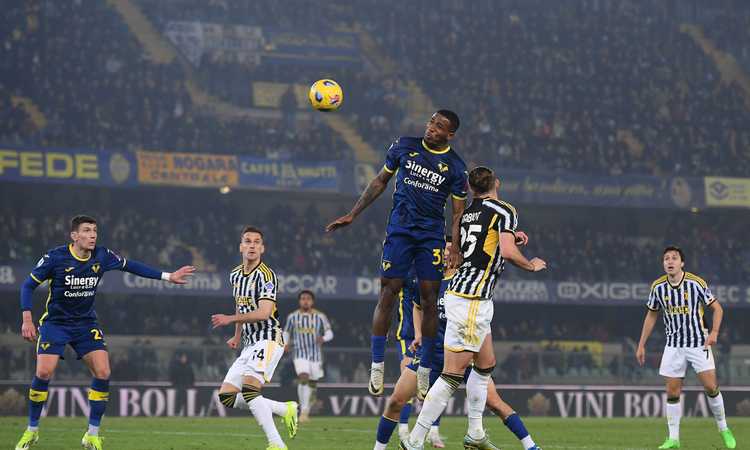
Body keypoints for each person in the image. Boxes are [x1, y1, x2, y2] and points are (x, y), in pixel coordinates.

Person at [15, 215, 195, 450]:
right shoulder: (55, 258)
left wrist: (168, 276)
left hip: (85, 324)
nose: (92, 235)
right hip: (55, 324)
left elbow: (131, 265)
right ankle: (32, 431)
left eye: (95, 231)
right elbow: (27, 285)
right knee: (44, 371)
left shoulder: (102, 255)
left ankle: (92, 435)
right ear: (74, 236)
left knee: (103, 371)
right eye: (87, 231)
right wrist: (27, 319)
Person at [402, 167, 547, 450]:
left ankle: (476, 433)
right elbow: (503, 251)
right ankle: (416, 440)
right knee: (452, 375)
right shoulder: (505, 209)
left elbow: (481, 246)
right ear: (496, 183)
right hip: (471, 298)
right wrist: (530, 264)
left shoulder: (467, 213)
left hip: (472, 296)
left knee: (485, 366)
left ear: (470, 189)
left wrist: (511, 238)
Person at [327, 110, 469, 398]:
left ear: (450, 134)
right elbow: (380, 181)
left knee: (429, 299)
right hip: (400, 231)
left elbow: (457, 211)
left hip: (430, 237)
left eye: (439, 126)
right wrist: (353, 214)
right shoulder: (404, 145)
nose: (431, 128)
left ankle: (425, 369)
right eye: (430, 122)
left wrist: (454, 244)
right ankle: (377, 364)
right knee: (387, 292)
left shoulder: (455, 167)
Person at [375, 241, 543, 450]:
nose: (445, 254)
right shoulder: (430, 281)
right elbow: (418, 307)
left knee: (495, 403)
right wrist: (418, 334)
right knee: (395, 402)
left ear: (459, 254)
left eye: (449, 250)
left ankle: (530, 446)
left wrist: (510, 239)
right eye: (443, 251)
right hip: (432, 356)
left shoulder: (467, 282)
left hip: (463, 356)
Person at [636, 246, 737, 449]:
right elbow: (652, 315)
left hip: (698, 342)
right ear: (663, 264)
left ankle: (724, 428)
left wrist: (715, 333)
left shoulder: (695, 283)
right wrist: (641, 345)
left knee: (710, 386)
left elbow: (717, 308)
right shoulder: (658, 287)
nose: (670, 261)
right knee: (672, 392)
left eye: (674, 258)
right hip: (673, 345)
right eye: (666, 258)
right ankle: (674, 439)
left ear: (682, 263)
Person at [210, 226, 298, 450]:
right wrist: (237, 335)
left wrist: (230, 319)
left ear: (262, 248)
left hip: (269, 338)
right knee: (227, 396)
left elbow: (264, 312)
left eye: (256, 242)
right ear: (241, 247)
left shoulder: (267, 276)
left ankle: (276, 444)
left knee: (250, 391)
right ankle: (283, 409)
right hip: (250, 343)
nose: (251, 245)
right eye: (247, 241)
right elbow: (240, 305)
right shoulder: (235, 274)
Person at [283, 289, 334, 422]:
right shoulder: (293, 317)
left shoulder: (320, 316)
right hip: (299, 353)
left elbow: (329, 333)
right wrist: (285, 343)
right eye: (303, 298)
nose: (305, 301)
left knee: (312, 382)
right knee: (303, 376)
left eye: (308, 299)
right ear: (299, 301)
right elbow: (286, 332)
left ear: (312, 301)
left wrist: (323, 338)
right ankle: (303, 412)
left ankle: (307, 408)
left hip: (316, 355)